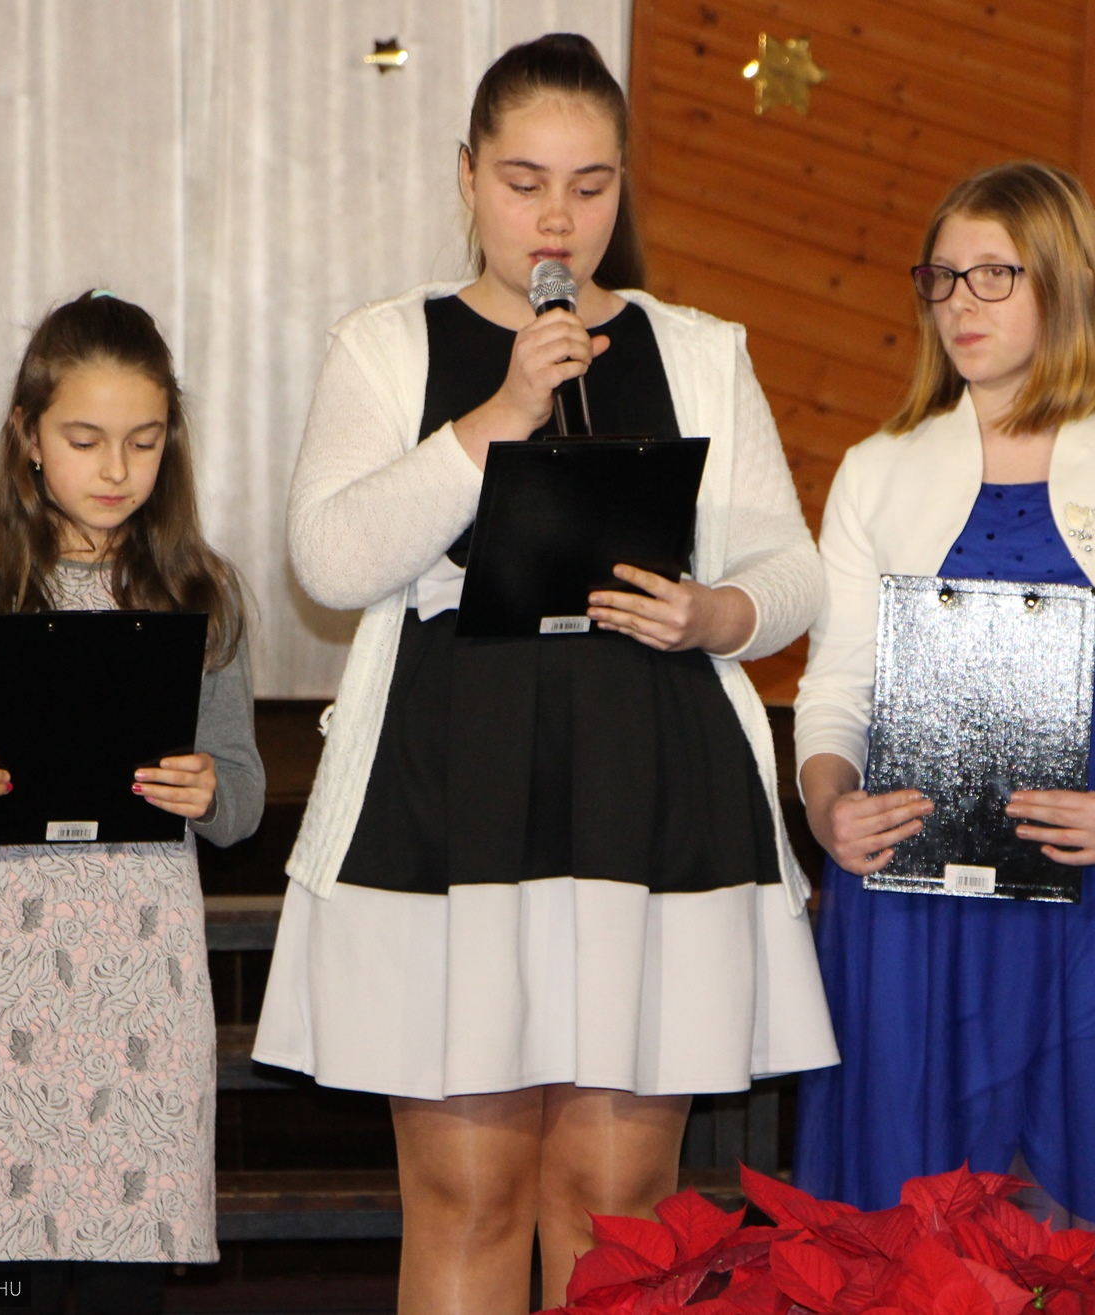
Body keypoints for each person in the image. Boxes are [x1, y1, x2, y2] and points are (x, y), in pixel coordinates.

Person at [252, 32, 836, 1314]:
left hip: (651, 788)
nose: (558, 219)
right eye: (524, 183)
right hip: (451, 791)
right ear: (466, 176)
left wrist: (716, 610)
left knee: (618, 1203)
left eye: (589, 185)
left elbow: (793, 569)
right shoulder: (388, 347)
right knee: (468, 1194)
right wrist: (495, 419)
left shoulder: (698, 347)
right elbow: (329, 559)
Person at [792, 161, 1095, 1312]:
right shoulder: (878, 470)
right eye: (943, 277)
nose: (962, 302)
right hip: (913, 890)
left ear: (1064, 283)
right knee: (912, 1208)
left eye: (995, 274)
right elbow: (835, 688)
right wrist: (828, 803)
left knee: (1093, 1191)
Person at [0, 291, 265, 1314]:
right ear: (28, 435)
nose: (116, 469)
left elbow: (242, 799)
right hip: (12, 980)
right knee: (1, 1270)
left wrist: (208, 788)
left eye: (143, 442)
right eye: (85, 439)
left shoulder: (201, 589)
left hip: (144, 980)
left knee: (123, 1274)